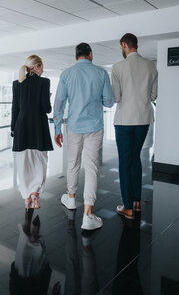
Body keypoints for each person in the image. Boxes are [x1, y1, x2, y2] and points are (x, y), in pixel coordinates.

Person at [53, 42, 114, 230]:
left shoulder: (66, 74)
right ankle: (88, 215)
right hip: (94, 126)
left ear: (75, 56)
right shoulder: (102, 73)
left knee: (73, 162)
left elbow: (59, 104)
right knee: (91, 168)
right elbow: (109, 102)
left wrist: (56, 129)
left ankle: (71, 198)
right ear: (90, 54)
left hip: (73, 127)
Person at [111, 33, 157, 220]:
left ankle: (128, 207)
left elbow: (116, 97)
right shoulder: (151, 66)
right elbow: (153, 96)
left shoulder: (118, 67)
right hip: (144, 119)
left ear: (124, 45)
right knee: (136, 158)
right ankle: (137, 201)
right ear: (136, 45)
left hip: (124, 120)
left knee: (124, 162)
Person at [11, 55, 53, 210]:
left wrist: (12, 129)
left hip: (21, 127)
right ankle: (35, 192)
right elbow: (46, 109)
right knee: (40, 161)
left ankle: (26, 196)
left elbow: (15, 108)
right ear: (36, 66)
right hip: (38, 127)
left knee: (23, 163)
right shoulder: (44, 82)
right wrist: (47, 98)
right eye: (42, 66)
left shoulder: (17, 84)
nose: (43, 70)